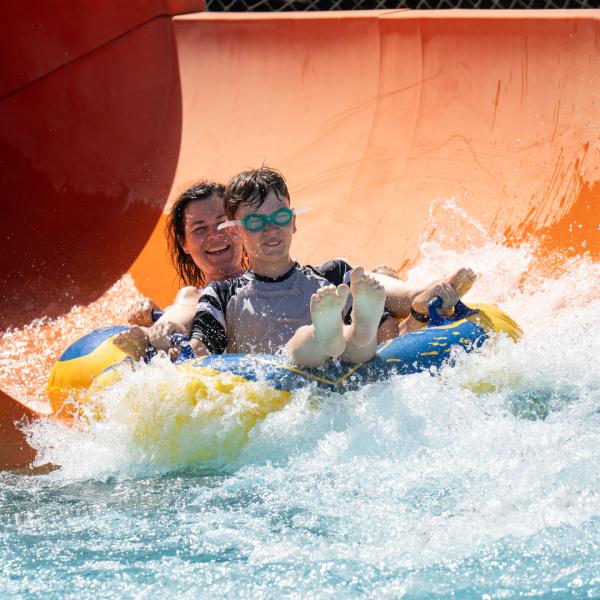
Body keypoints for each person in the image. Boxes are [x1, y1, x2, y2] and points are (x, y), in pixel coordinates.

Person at [189, 166, 475, 368]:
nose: (271, 230)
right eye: (255, 222)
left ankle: (361, 327)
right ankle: (333, 332)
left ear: (294, 222)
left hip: (339, 377)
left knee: (355, 342)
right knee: (306, 342)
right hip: (278, 388)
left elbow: (388, 339)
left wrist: (415, 319)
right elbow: (201, 355)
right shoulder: (222, 295)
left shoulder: (330, 279)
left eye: (280, 217)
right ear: (236, 232)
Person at [114, 181, 246, 358]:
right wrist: (149, 317)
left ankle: (160, 335)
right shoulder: (193, 299)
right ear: (184, 243)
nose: (214, 234)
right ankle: (160, 333)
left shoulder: (267, 282)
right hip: (194, 338)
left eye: (222, 223)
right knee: (191, 295)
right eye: (200, 229)